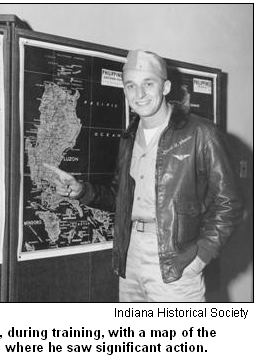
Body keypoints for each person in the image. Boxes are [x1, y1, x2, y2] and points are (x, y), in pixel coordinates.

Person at [44, 50, 243, 302]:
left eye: (148, 84)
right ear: (125, 91)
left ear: (166, 86)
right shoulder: (129, 137)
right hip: (131, 254)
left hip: (176, 261)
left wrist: (200, 256)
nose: (139, 94)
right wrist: (82, 190)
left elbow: (230, 204)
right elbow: (122, 197)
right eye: (131, 86)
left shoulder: (201, 134)